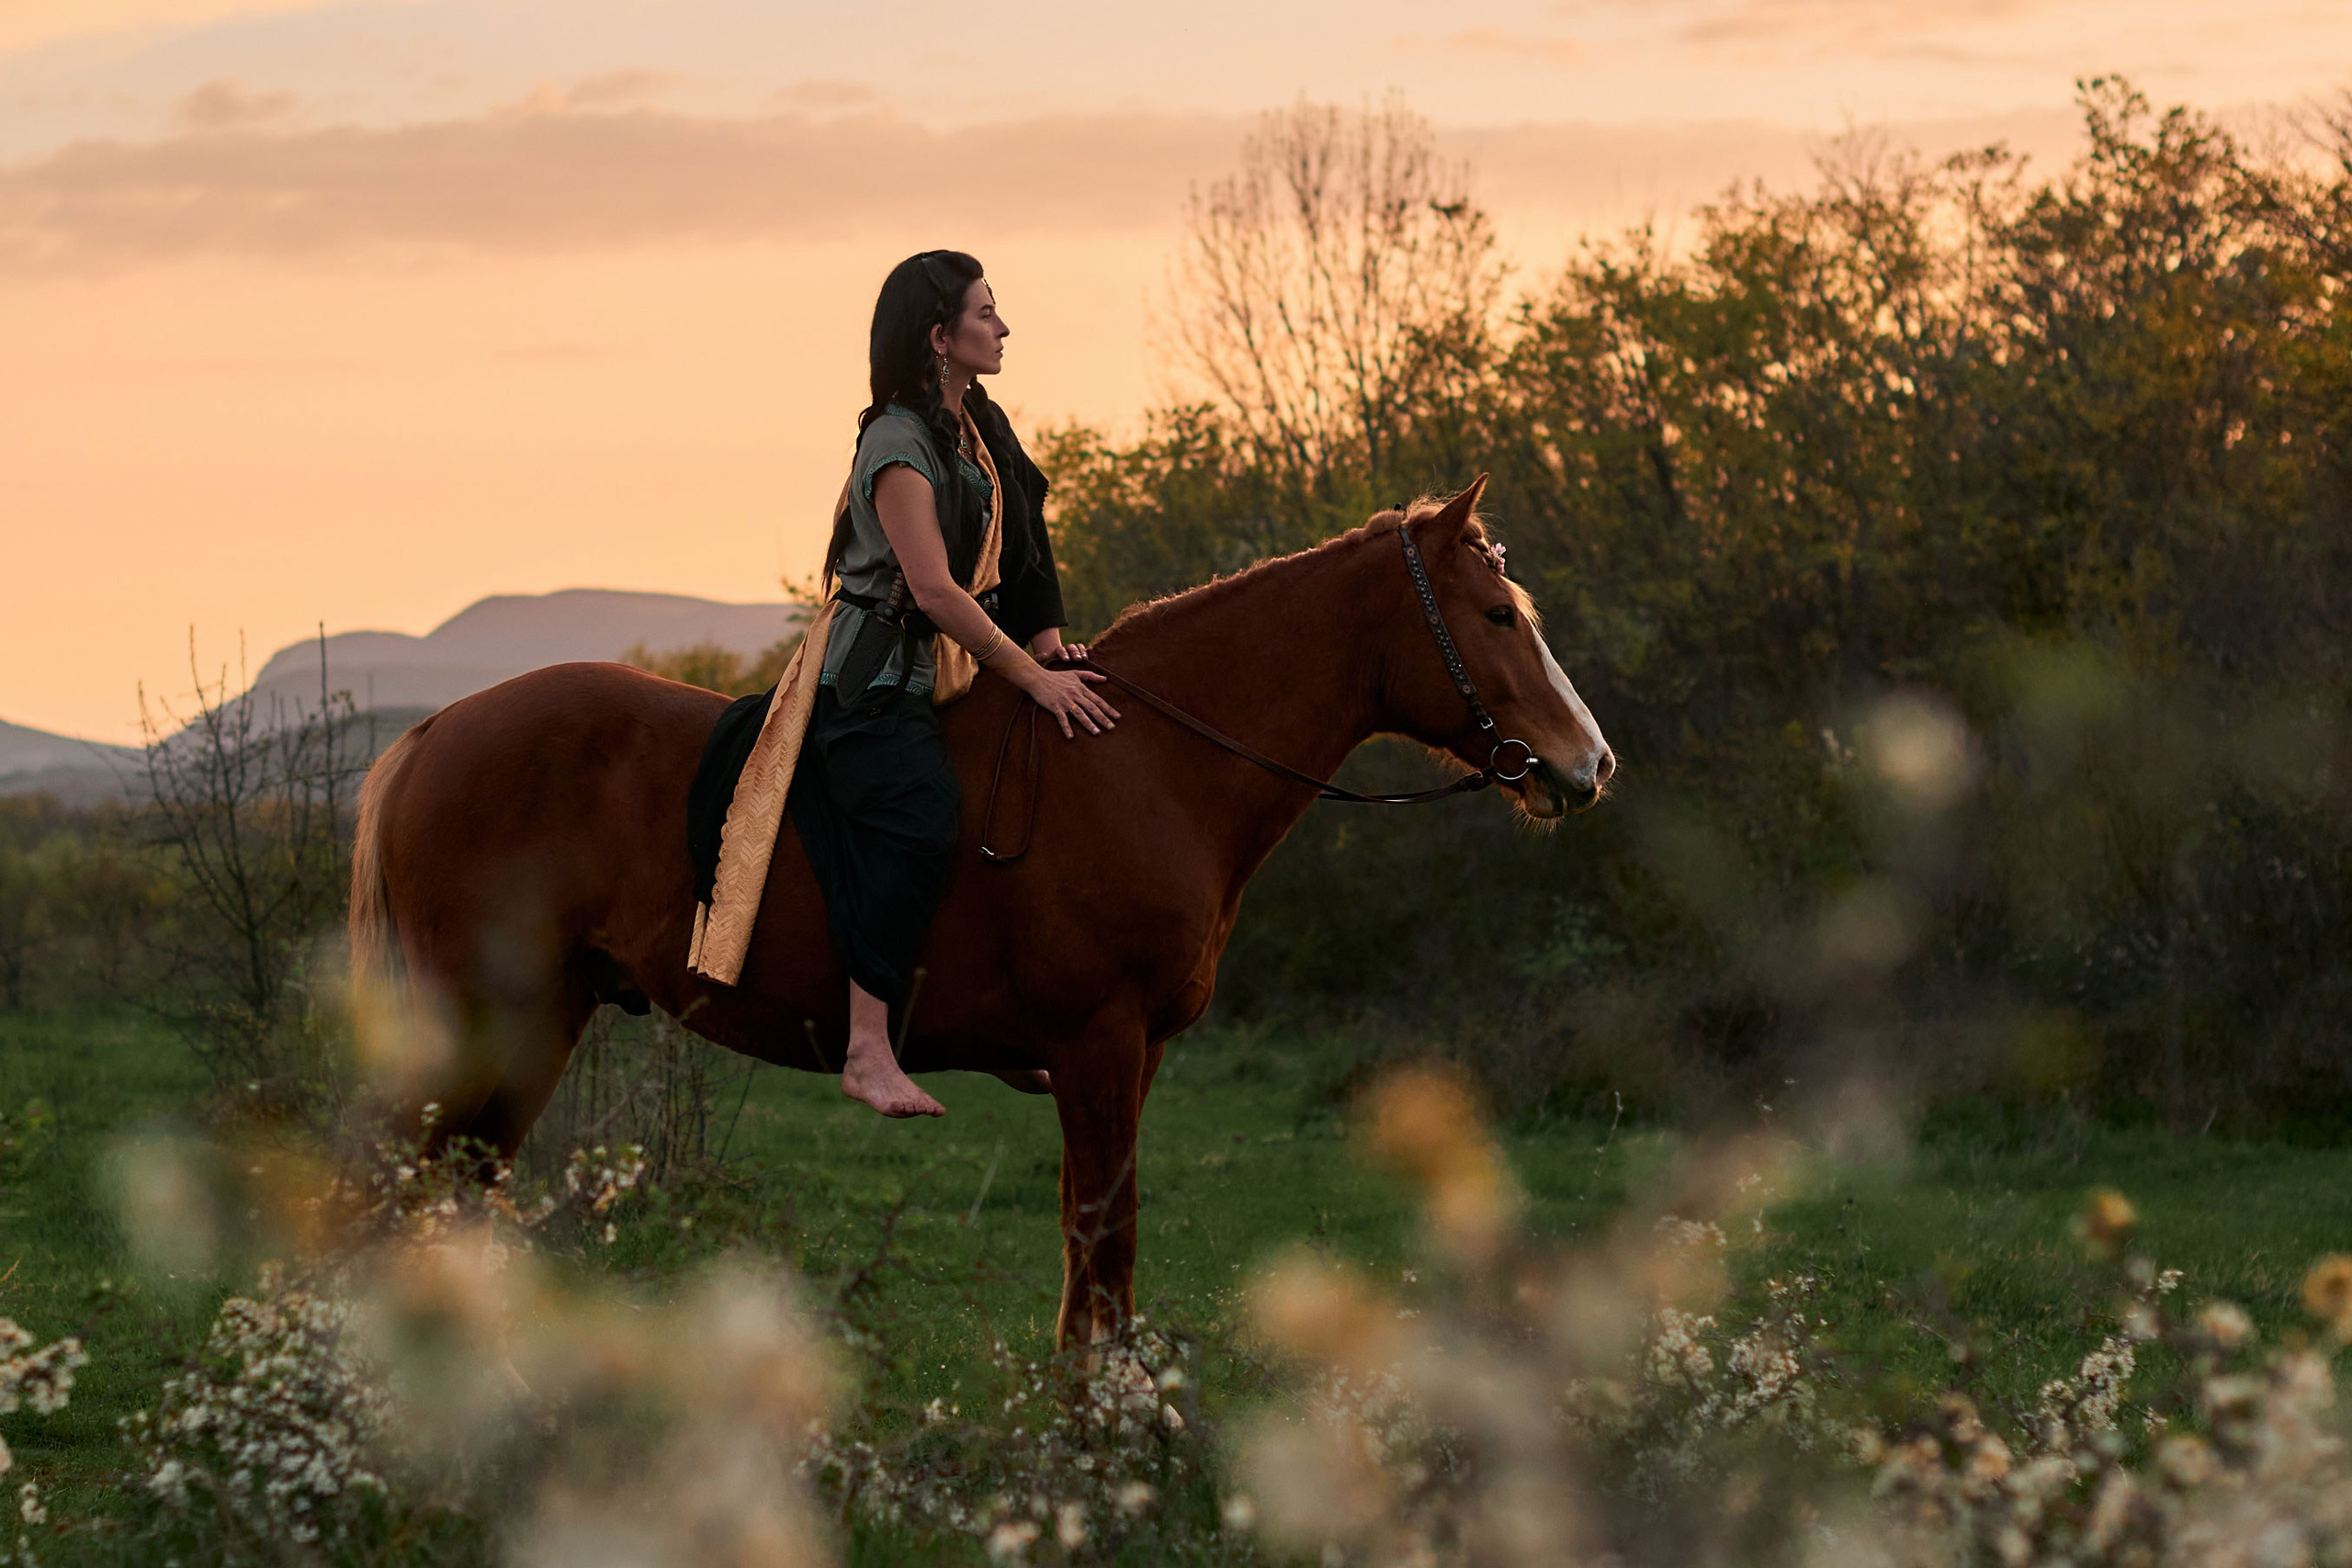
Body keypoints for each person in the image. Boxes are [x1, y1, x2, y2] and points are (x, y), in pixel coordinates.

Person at [797, 250, 1119, 1119]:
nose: (1003, 327)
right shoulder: (895, 441)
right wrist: (1029, 678)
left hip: (959, 664)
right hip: (876, 685)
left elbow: (1024, 545)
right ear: (940, 338)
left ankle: (985, 1029)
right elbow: (935, 589)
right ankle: (867, 1049)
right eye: (985, 313)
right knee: (914, 819)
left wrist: (1050, 653)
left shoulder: (982, 424)